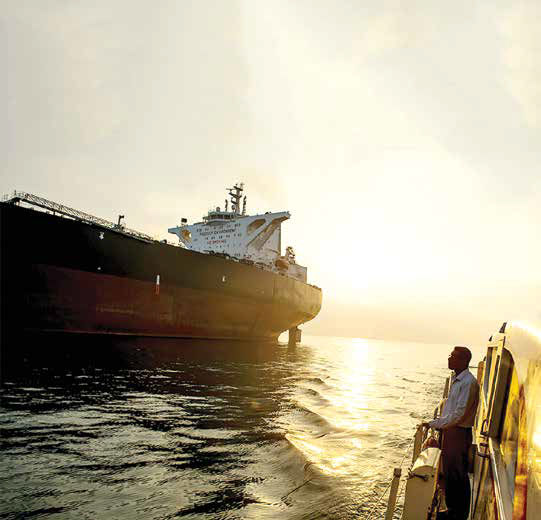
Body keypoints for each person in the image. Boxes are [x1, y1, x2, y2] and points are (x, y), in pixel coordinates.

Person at [422, 346, 479, 520]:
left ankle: (457, 514)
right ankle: (452, 510)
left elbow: (458, 414)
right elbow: (452, 411)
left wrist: (434, 423)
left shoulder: (468, 383)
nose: (449, 358)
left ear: (463, 361)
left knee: (457, 475)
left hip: (458, 434)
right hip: (451, 432)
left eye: (453, 356)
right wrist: (441, 425)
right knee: (451, 473)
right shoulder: (458, 379)